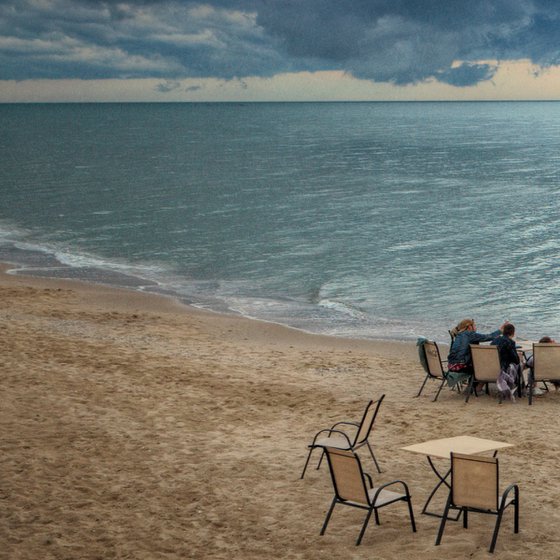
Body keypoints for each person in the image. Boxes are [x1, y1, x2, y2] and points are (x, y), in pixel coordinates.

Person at [446, 318, 505, 388]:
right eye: (475, 325)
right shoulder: (470, 334)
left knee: (476, 361)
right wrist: (500, 331)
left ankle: (472, 386)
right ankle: (476, 388)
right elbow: (488, 337)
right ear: (469, 327)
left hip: (451, 366)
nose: (476, 327)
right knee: (485, 364)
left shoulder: (458, 335)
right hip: (461, 366)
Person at [491, 323, 521, 401]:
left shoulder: (494, 340)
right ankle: (519, 389)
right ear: (513, 333)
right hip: (503, 369)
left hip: (492, 368)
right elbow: (516, 360)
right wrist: (519, 357)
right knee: (518, 365)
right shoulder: (510, 342)